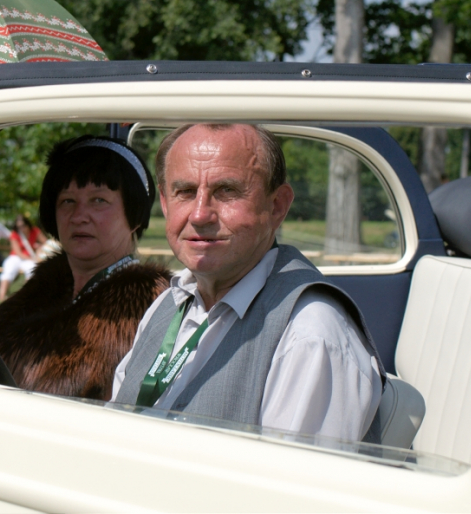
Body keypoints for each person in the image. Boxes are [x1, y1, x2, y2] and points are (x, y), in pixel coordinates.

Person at [111, 124, 385, 441]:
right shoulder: (167, 304)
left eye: (227, 191)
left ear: (277, 206)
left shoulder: (309, 335)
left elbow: (292, 487)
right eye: (185, 192)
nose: (200, 214)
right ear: (165, 201)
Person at [0, 136, 171, 399]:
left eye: (99, 200)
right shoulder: (38, 294)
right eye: (67, 201)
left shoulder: (151, 312)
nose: (79, 216)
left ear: (134, 215)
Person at [0, 214, 48, 301]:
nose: (21, 228)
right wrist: (33, 259)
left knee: (33, 271)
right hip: (16, 257)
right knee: (8, 271)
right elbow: (18, 253)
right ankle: (1, 297)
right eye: (19, 227)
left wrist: (39, 247)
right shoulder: (14, 234)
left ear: (28, 224)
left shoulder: (35, 231)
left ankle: (24, 296)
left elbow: (47, 243)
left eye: (23, 226)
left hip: (29, 258)